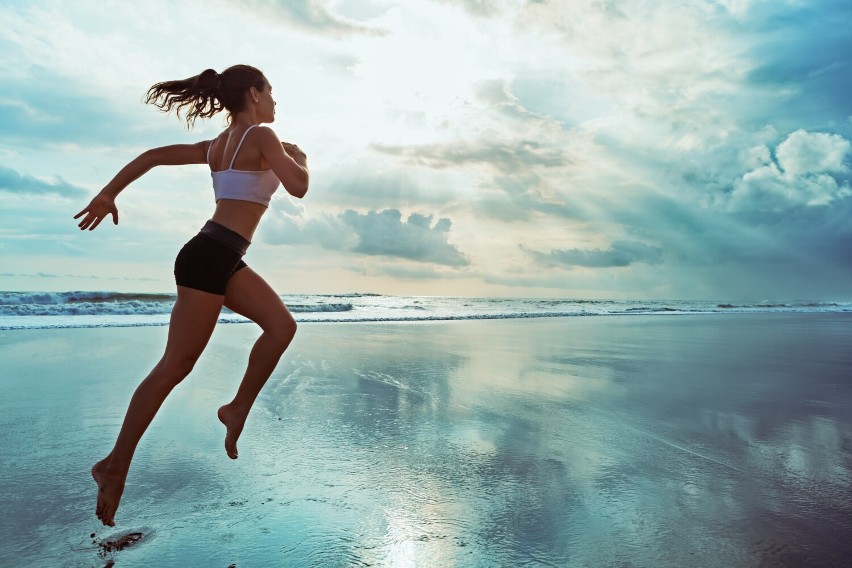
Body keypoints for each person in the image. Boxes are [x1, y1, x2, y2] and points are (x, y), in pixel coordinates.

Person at [74, 64, 309, 527]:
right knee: (174, 366)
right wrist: (299, 158)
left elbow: (153, 156)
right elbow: (299, 187)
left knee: (282, 326)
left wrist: (109, 192)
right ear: (254, 94)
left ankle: (236, 408)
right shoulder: (261, 136)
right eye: (272, 92)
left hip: (219, 255)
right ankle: (114, 465)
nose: (276, 101)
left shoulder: (218, 146)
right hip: (209, 256)